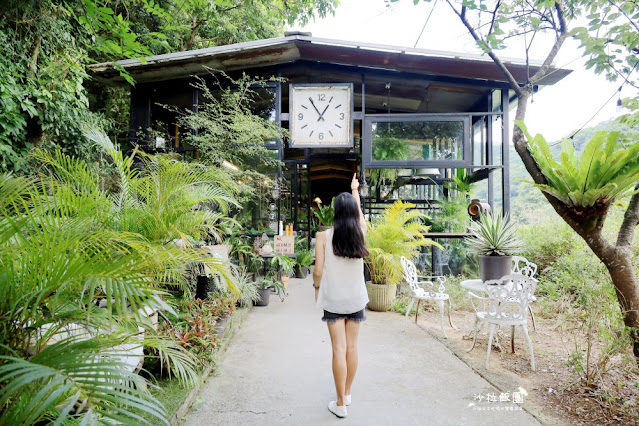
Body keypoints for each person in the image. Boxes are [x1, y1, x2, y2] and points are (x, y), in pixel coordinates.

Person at [313, 173, 369, 419]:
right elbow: (359, 217)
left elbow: (317, 272)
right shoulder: (361, 233)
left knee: (338, 348)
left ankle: (340, 404)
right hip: (356, 299)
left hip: (334, 300)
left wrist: (317, 289)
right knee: (352, 347)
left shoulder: (324, 237)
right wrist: (354, 189)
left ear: (335, 212)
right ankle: (346, 394)